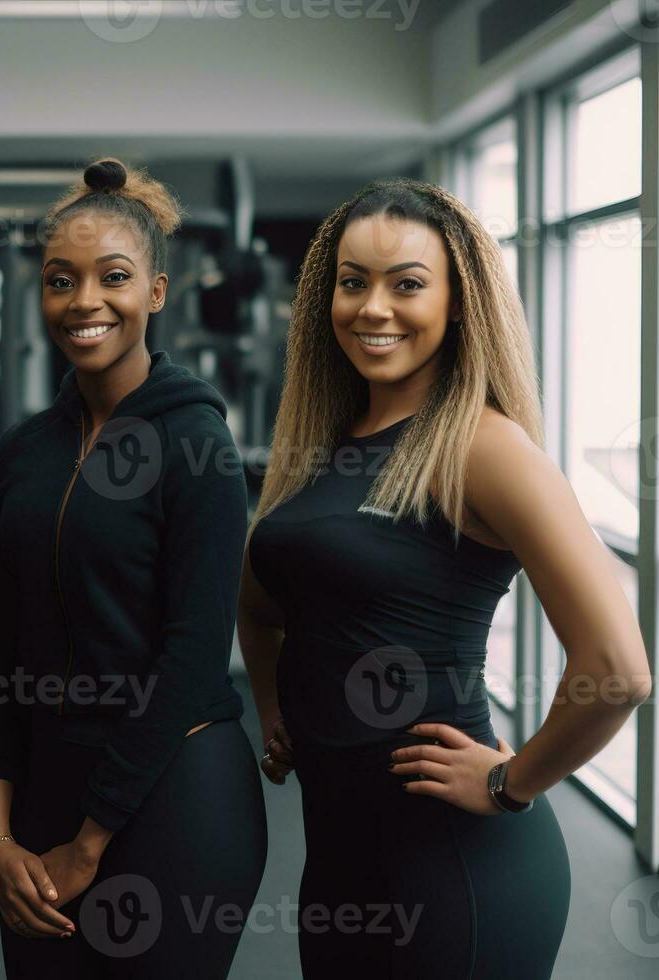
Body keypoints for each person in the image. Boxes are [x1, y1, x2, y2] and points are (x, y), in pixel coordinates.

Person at [240, 177, 653, 978]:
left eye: (407, 285)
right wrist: (273, 706)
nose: (373, 308)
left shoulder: (483, 447)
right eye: (353, 282)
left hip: (455, 867)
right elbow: (261, 604)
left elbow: (619, 669)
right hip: (339, 861)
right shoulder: (325, 439)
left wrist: (510, 782)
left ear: (458, 302)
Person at [0, 157, 268, 978]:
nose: (85, 302)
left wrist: (88, 840)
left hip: (176, 791)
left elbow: (195, 653)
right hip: (44, 788)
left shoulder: (196, 444)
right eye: (61, 281)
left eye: (114, 278)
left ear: (157, 293)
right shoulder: (24, 452)